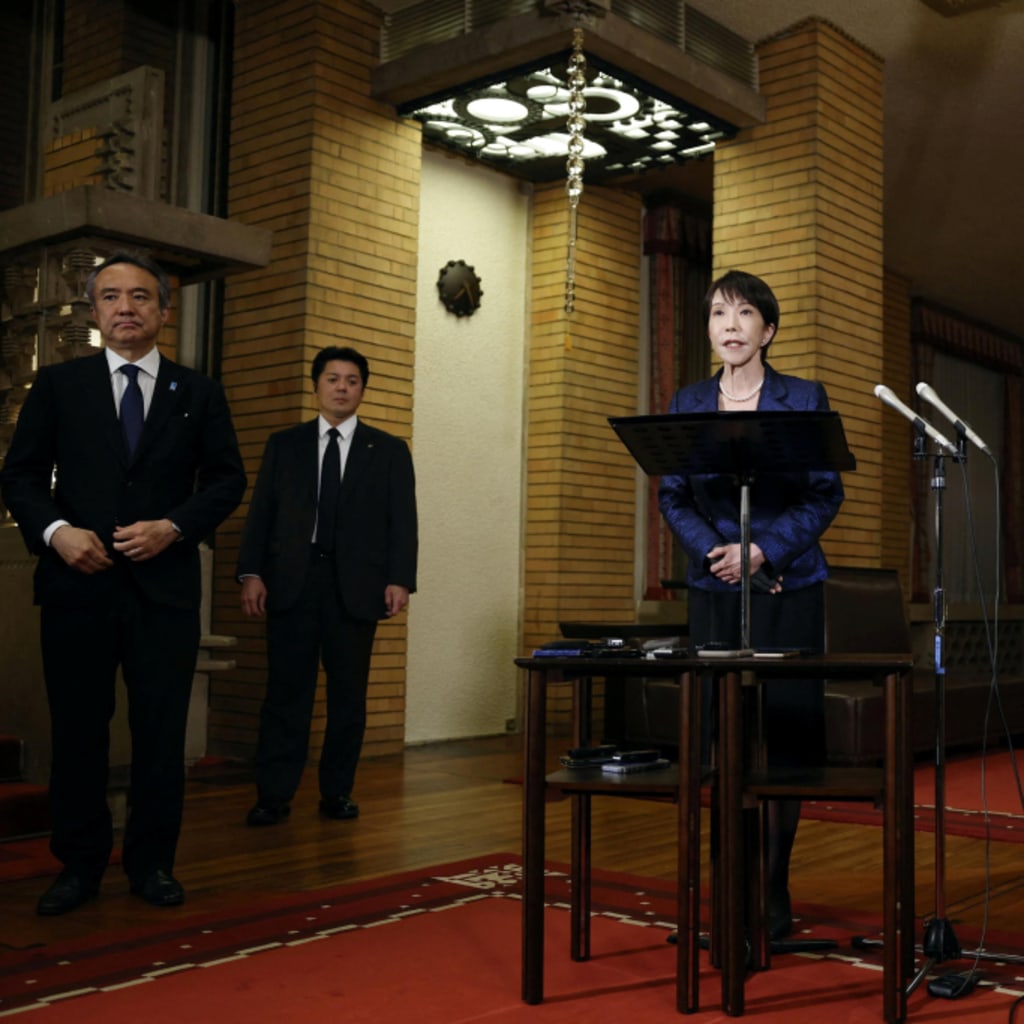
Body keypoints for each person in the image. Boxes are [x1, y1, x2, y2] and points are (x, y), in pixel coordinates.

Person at [0, 250, 246, 915]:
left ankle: (152, 863)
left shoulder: (198, 393)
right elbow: (19, 477)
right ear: (94, 312)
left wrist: (174, 525)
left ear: (165, 310)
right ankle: (77, 866)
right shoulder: (58, 386)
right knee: (79, 731)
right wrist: (57, 532)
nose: (126, 307)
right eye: (111, 296)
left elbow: (227, 480)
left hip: (162, 591)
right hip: (76, 587)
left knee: (161, 733)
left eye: (141, 296)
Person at [657, 269, 845, 939]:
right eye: (716, 314)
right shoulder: (686, 402)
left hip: (790, 588)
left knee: (786, 744)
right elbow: (673, 494)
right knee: (718, 744)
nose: (729, 325)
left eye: (743, 314)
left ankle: (772, 893)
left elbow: (824, 493)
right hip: (715, 590)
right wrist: (721, 554)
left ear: (769, 328)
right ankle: (725, 895)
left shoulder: (803, 398)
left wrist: (763, 551)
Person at [238, 345, 417, 827]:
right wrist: (251, 572)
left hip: (356, 587)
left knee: (348, 696)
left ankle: (337, 792)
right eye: (333, 379)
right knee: (285, 694)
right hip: (291, 583)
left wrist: (400, 579)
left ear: (363, 389)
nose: (342, 387)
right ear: (316, 385)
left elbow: (403, 522)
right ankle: (272, 795)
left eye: (352, 380)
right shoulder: (285, 444)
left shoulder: (389, 450)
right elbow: (262, 515)